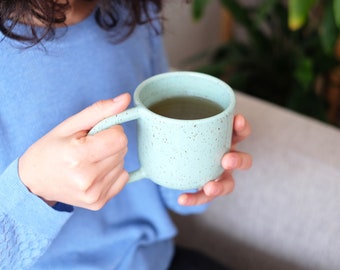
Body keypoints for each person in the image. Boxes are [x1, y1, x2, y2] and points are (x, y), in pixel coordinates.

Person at [0, 0, 252, 269]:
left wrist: (200, 164)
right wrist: (33, 186)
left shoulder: (134, 11)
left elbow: (167, 191)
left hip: (152, 260)